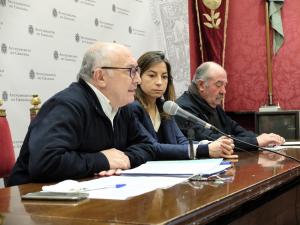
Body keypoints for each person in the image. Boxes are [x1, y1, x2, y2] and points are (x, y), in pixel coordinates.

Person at [7, 42, 156, 186]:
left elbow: (148, 146)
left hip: (94, 193)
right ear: (100, 77)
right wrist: (102, 160)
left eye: (137, 71)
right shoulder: (66, 105)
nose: (138, 79)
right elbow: (45, 161)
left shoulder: (123, 106)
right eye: (130, 71)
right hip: (32, 200)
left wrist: (124, 159)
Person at [129, 51, 236, 159]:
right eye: (152, 75)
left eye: (164, 77)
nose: (159, 82)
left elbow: (181, 141)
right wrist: (205, 150)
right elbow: (152, 147)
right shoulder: (132, 108)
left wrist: (211, 145)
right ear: (138, 76)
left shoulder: (165, 107)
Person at [176, 61, 285, 150]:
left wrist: (264, 139)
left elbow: (237, 130)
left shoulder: (213, 106)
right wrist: (256, 142)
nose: (224, 91)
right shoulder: (183, 109)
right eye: (219, 85)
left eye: (225, 85)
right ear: (201, 85)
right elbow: (213, 140)